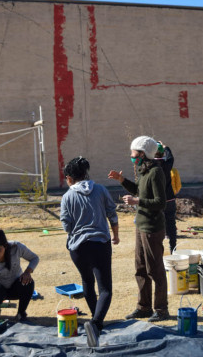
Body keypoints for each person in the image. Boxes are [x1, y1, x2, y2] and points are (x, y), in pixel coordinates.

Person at [60, 156, 120, 347]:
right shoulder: (101, 190)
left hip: (78, 248)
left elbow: (66, 226)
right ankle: (95, 324)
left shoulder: (67, 196)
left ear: (70, 177)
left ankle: (96, 324)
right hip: (100, 243)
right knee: (105, 290)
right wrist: (115, 235)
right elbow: (112, 213)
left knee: (87, 281)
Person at [108, 135, 169, 322]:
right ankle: (144, 308)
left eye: (134, 153)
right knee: (140, 268)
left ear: (143, 153)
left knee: (155, 269)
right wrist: (122, 180)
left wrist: (138, 202)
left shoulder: (156, 172)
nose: (131, 156)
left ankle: (161, 309)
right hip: (140, 226)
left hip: (152, 227)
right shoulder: (143, 171)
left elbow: (161, 202)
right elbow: (139, 191)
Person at [154, 141, 178, 252]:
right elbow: (171, 157)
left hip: (157, 200)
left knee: (157, 226)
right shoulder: (167, 164)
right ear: (162, 154)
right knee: (171, 225)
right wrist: (166, 147)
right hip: (170, 199)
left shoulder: (150, 165)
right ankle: (173, 248)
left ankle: (158, 250)